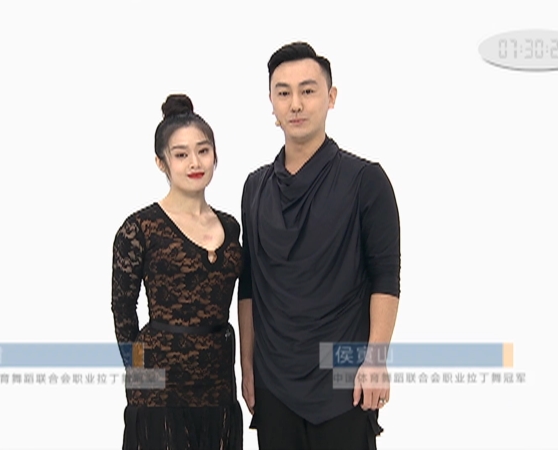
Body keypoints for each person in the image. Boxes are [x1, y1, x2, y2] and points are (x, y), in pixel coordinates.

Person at [237, 42, 402, 450]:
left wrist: (376, 359)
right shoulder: (255, 187)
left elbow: (385, 276)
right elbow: (250, 284)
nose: (296, 104)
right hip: (274, 380)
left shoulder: (366, 180)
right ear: (271, 103)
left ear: (331, 97)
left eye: (308, 91)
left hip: (345, 377)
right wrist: (247, 367)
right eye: (283, 92)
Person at [112, 93, 244, 450]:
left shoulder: (231, 226)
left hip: (218, 383)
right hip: (159, 390)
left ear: (215, 154)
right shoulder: (139, 228)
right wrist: (138, 374)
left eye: (203, 151)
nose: (195, 162)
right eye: (181, 154)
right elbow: (123, 310)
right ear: (161, 162)